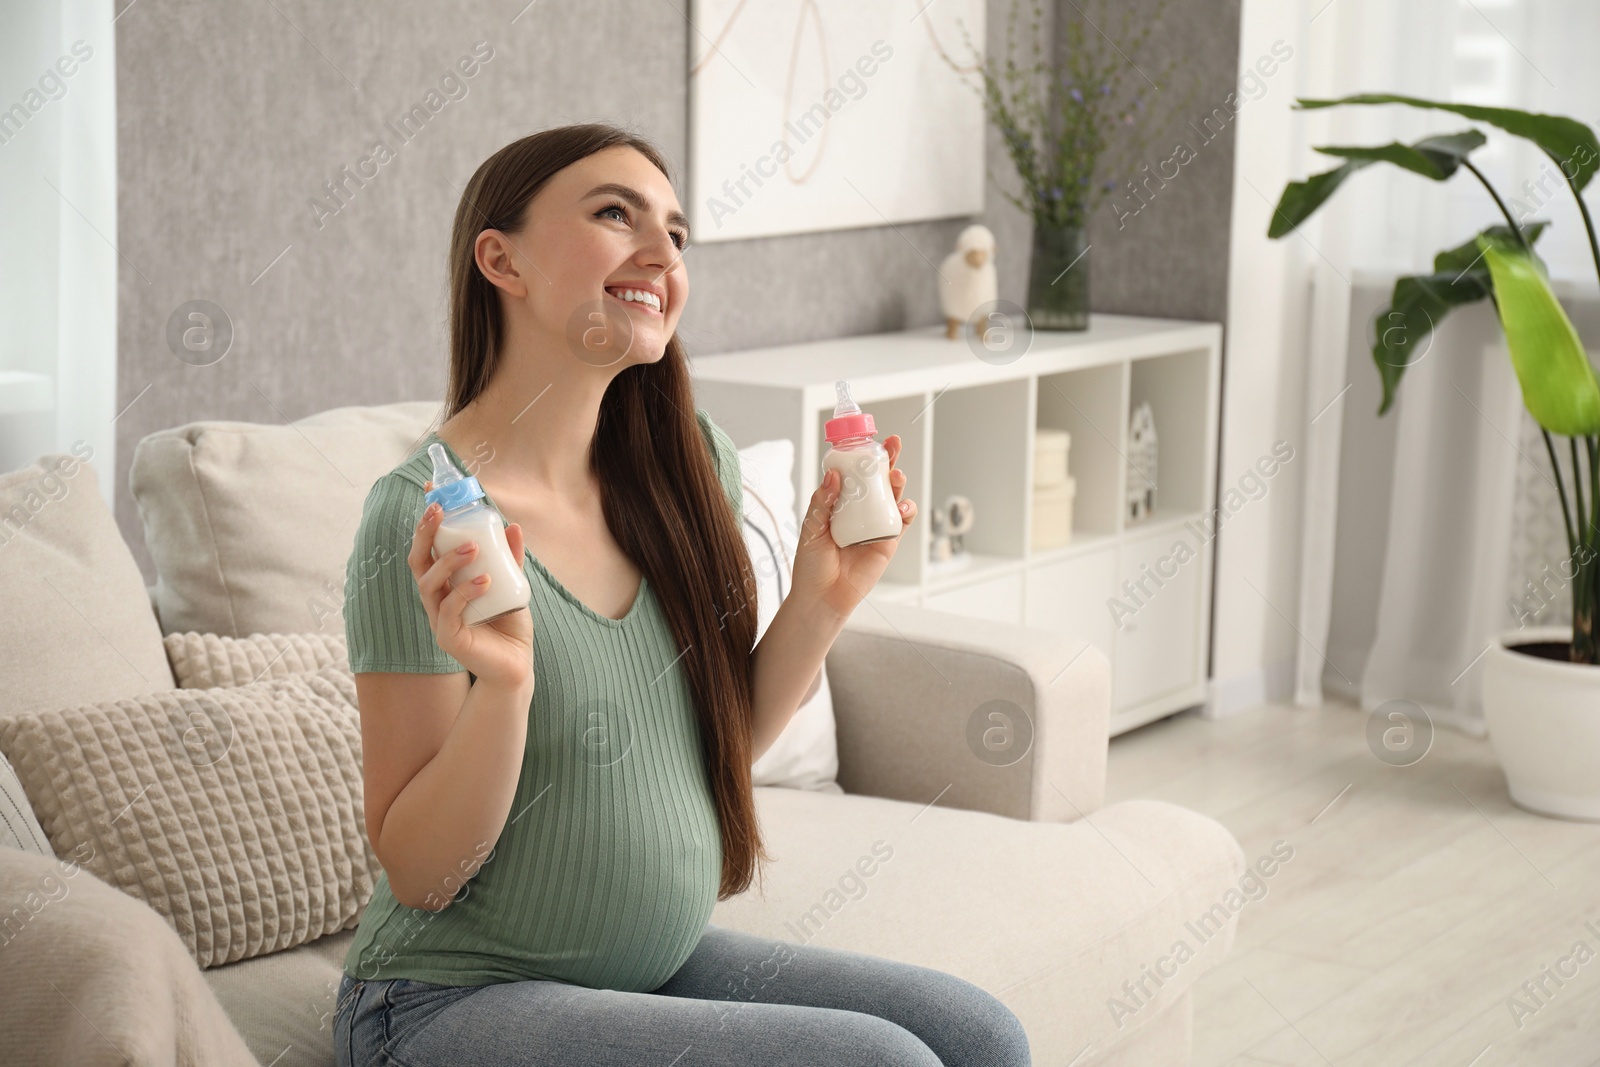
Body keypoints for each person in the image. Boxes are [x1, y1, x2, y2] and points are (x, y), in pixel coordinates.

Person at [332, 121, 1031, 1067]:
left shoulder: (688, 463)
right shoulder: (421, 520)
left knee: (980, 1037)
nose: (662, 255)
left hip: (638, 971)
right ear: (501, 259)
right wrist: (504, 686)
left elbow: (709, 749)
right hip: (441, 1002)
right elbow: (420, 872)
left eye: (677, 232)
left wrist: (825, 593)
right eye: (615, 215)